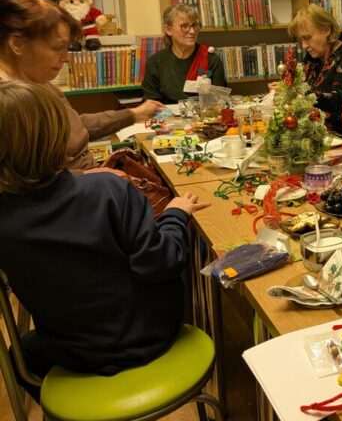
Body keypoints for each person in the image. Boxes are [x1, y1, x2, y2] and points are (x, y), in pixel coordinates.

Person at [0, 81, 210, 393]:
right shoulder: (108, 190)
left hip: (68, 351)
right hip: (149, 335)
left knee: (19, 358)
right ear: (58, 136)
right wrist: (176, 214)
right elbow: (163, 262)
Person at [0, 0, 161, 171]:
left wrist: (133, 114)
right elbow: (30, 187)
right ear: (17, 44)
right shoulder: (9, 103)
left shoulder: (38, 83)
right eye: (57, 47)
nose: (66, 57)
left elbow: (76, 125)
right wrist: (91, 178)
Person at [288, 4, 342, 142]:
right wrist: (286, 88)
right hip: (317, 134)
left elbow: (339, 102)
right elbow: (304, 88)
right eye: (301, 39)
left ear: (326, 30)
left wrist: (299, 94)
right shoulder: (313, 57)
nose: (304, 45)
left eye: (307, 38)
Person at [142, 3, 227, 104]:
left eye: (195, 25)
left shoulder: (211, 60)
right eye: (185, 26)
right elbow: (151, 105)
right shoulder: (155, 63)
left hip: (203, 117)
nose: (192, 31)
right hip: (166, 117)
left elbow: (219, 103)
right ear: (168, 30)